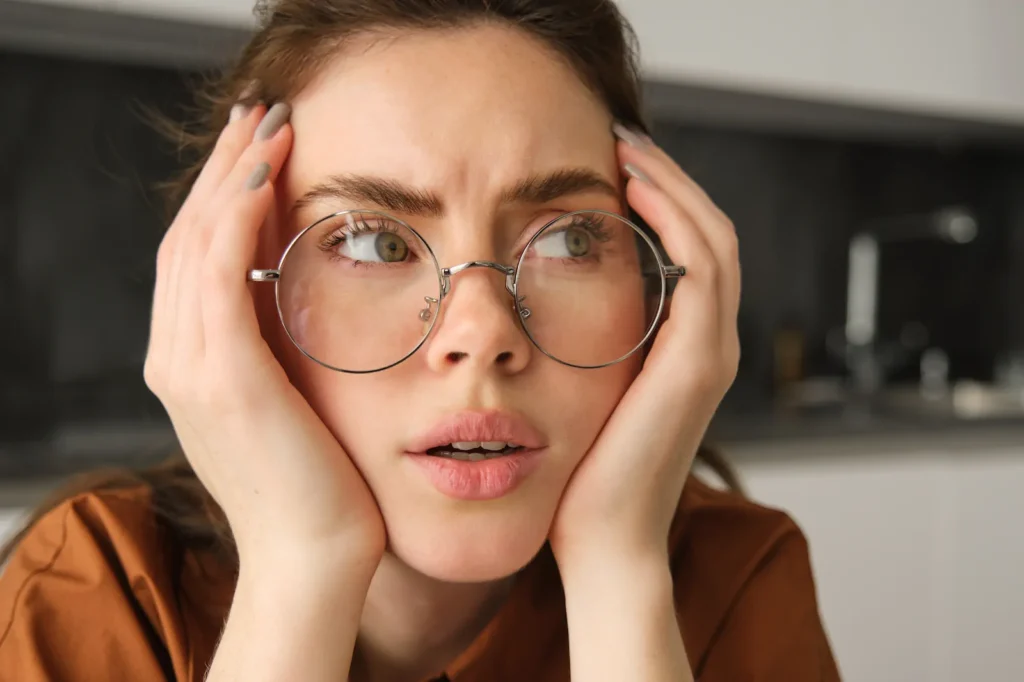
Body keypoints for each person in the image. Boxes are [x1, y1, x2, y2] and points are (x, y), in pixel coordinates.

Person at [0, 1, 840, 680]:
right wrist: (301, 568)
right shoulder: (92, 594)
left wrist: (621, 578)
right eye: (372, 242)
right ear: (233, 295)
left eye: (571, 240)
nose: (481, 335)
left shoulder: (736, 582)